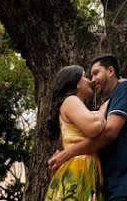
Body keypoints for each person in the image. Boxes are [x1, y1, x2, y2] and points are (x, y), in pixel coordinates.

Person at [48, 54, 127, 200]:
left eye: (96, 73)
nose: (92, 80)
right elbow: (95, 128)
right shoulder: (92, 104)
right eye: (88, 76)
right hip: (114, 185)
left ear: (110, 71)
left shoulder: (124, 88)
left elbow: (109, 132)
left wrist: (68, 153)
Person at [45, 64, 106, 201]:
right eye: (84, 76)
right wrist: (104, 110)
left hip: (83, 166)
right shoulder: (71, 100)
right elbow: (93, 126)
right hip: (79, 167)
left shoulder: (74, 105)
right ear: (76, 83)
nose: (89, 80)